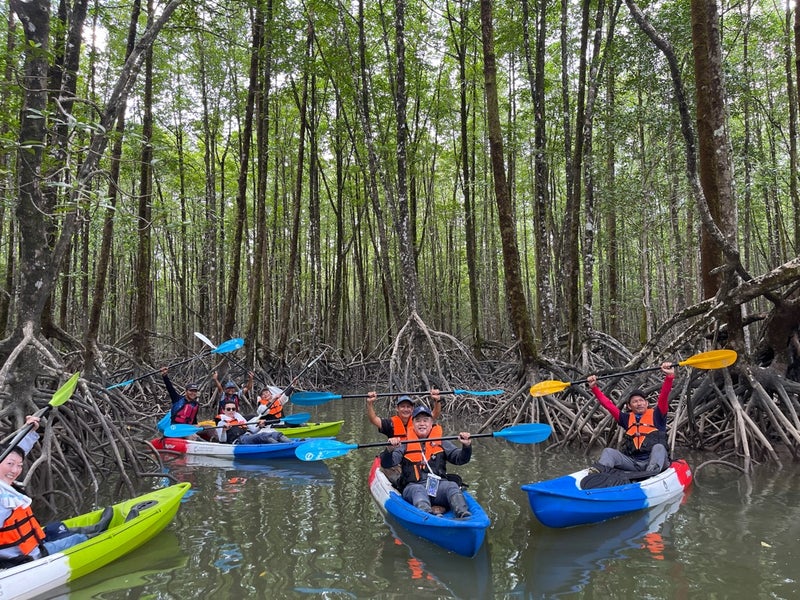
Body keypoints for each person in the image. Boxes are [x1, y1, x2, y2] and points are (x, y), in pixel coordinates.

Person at [0, 416, 113, 566]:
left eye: (19, 465)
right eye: (10, 464)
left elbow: (13, 453)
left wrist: (30, 431)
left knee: (55, 530)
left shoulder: (5, 484)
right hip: (25, 558)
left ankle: (96, 528)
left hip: (32, 542)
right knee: (76, 540)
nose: (15, 470)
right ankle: (110, 536)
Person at [379, 405, 473, 519]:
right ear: (413, 424)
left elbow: (461, 459)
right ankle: (427, 517)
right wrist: (389, 450)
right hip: (413, 487)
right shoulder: (405, 444)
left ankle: (464, 515)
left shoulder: (442, 442)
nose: (422, 423)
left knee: (452, 485)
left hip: (438, 486)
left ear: (431, 423)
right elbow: (387, 463)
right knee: (418, 490)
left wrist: (466, 446)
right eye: (418, 421)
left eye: (425, 420)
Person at [586, 362, 675, 474]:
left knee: (659, 447)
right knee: (608, 452)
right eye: (635, 401)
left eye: (641, 401)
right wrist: (594, 388)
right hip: (633, 463)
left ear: (646, 403)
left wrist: (669, 377)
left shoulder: (658, 415)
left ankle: (650, 474)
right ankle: (597, 473)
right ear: (629, 406)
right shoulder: (626, 419)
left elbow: (663, 397)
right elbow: (608, 405)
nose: (639, 404)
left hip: (656, 461)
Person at [366, 389, 442, 439]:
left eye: (408, 407)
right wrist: (370, 403)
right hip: (397, 455)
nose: (406, 409)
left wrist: (437, 400)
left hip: (412, 455)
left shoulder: (417, 421)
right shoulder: (390, 423)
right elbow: (373, 420)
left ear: (412, 409)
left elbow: (434, 415)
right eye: (402, 407)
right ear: (397, 408)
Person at [217, 402, 292, 444]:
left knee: (275, 434)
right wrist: (224, 430)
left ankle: (291, 443)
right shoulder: (221, 423)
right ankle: (280, 447)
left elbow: (253, 431)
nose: (231, 411)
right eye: (228, 409)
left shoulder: (239, 417)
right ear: (223, 410)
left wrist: (260, 426)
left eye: (233, 409)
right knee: (263, 436)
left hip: (248, 436)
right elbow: (222, 440)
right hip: (238, 441)